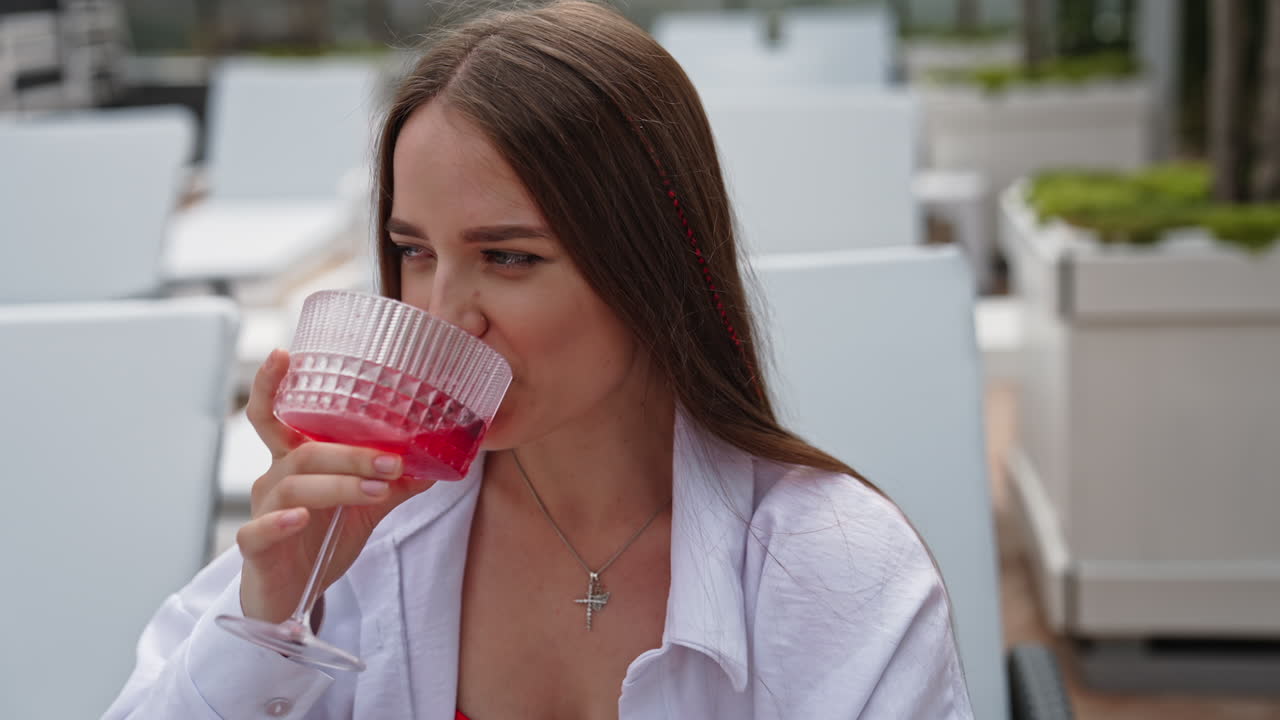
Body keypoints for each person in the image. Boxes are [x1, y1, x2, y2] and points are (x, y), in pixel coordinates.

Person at [105, 2, 974, 717]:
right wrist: (268, 617)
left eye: (509, 257)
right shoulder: (362, 534)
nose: (444, 316)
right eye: (414, 252)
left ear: (652, 261)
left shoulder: (833, 570)